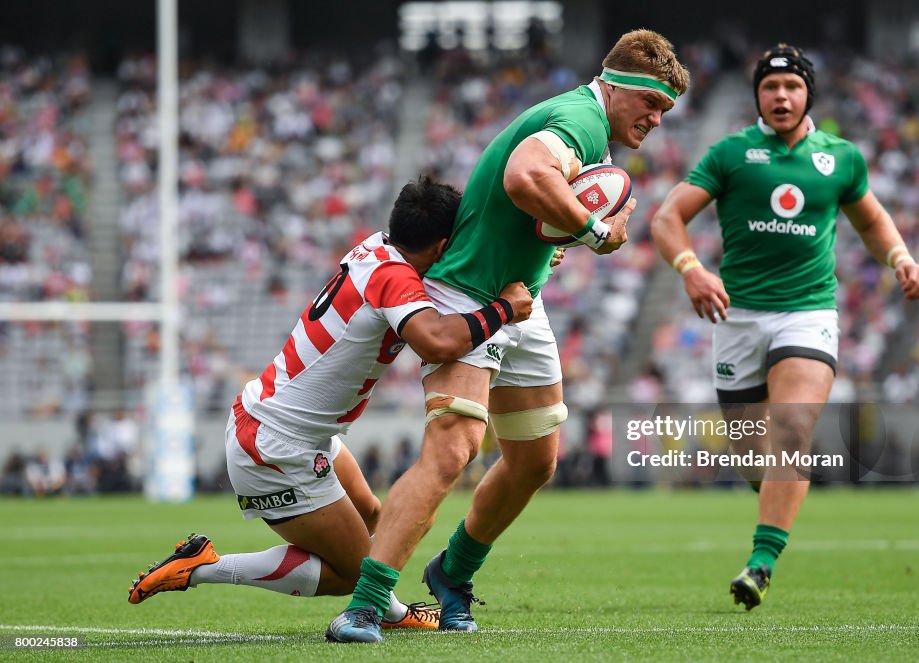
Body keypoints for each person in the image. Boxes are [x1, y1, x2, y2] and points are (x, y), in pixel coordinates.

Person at [328, 30, 689, 643]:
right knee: (453, 449)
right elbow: (526, 175)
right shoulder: (579, 117)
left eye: (665, 112)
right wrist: (596, 232)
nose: (657, 120)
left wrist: (568, 234)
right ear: (619, 88)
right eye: (651, 105)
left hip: (522, 298)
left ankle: (451, 573)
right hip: (471, 290)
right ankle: (364, 604)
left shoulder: (589, 126)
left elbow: (533, 206)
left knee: (534, 460)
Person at [127, 176, 533, 631]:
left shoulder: (377, 248)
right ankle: (202, 567)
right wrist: (503, 309)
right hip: (275, 446)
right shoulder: (393, 277)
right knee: (353, 575)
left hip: (293, 426)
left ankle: (390, 608)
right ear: (441, 245)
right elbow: (437, 342)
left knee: (380, 521)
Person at [650, 44, 919, 610]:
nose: (782, 96)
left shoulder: (842, 158)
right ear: (758, 95)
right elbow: (666, 217)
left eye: (793, 87)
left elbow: (872, 219)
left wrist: (900, 257)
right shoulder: (731, 154)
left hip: (808, 312)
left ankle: (761, 562)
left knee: (791, 431)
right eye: (771, 87)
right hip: (737, 318)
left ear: (808, 95)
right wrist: (691, 269)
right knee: (758, 455)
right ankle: (779, 495)